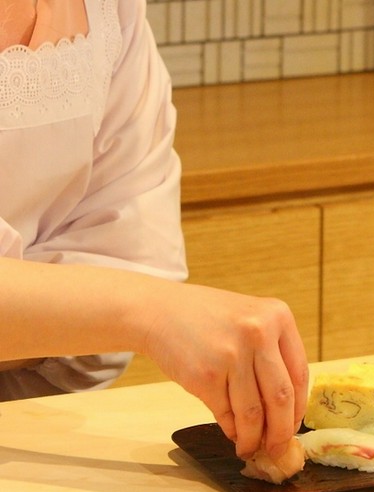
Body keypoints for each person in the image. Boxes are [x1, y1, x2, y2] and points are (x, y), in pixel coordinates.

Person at [0, 0, 308, 461]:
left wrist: (65, 310)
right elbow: (130, 290)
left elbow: (130, 249)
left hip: (29, 443)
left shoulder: (110, 10)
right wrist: (146, 312)